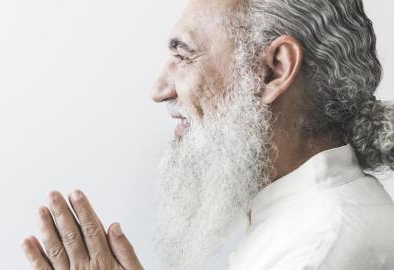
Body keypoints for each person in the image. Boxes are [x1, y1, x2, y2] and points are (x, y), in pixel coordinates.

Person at [21, 0, 394, 269]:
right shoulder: (301, 220)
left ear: (274, 71)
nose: (159, 88)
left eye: (184, 56)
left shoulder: (320, 246)